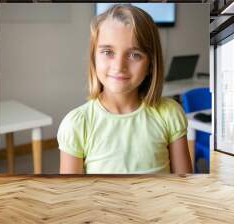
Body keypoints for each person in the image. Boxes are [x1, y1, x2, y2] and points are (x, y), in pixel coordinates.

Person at [57, 4, 192, 174]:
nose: (119, 66)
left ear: (151, 64)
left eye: (134, 54)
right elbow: (73, 196)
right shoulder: (76, 124)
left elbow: (184, 188)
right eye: (108, 52)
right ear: (93, 58)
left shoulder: (170, 114)